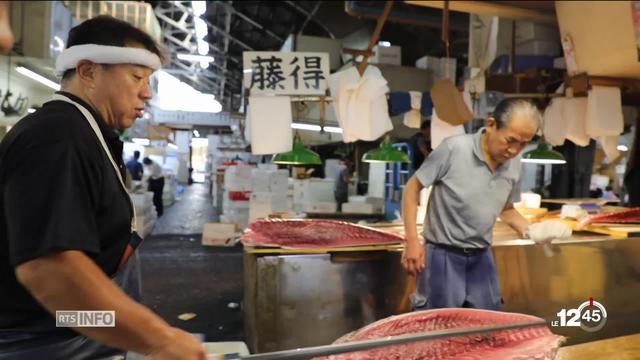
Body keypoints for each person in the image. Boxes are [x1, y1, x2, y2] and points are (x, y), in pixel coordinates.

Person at [0, 16, 206, 359]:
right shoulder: (57, 136)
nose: (147, 92)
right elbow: (48, 268)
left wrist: (125, 330)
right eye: (137, 77)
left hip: (68, 326)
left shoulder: (86, 133)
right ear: (88, 72)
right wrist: (157, 339)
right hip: (40, 342)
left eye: (149, 80)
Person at [401, 99, 572, 311]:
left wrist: (531, 231)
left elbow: (506, 209)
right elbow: (411, 188)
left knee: (487, 328)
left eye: (524, 144)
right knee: (439, 328)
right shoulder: (453, 149)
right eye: (511, 140)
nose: (514, 150)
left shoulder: (514, 165)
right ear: (491, 124)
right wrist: (412, 241)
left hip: (481, 256)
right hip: (442, 254)